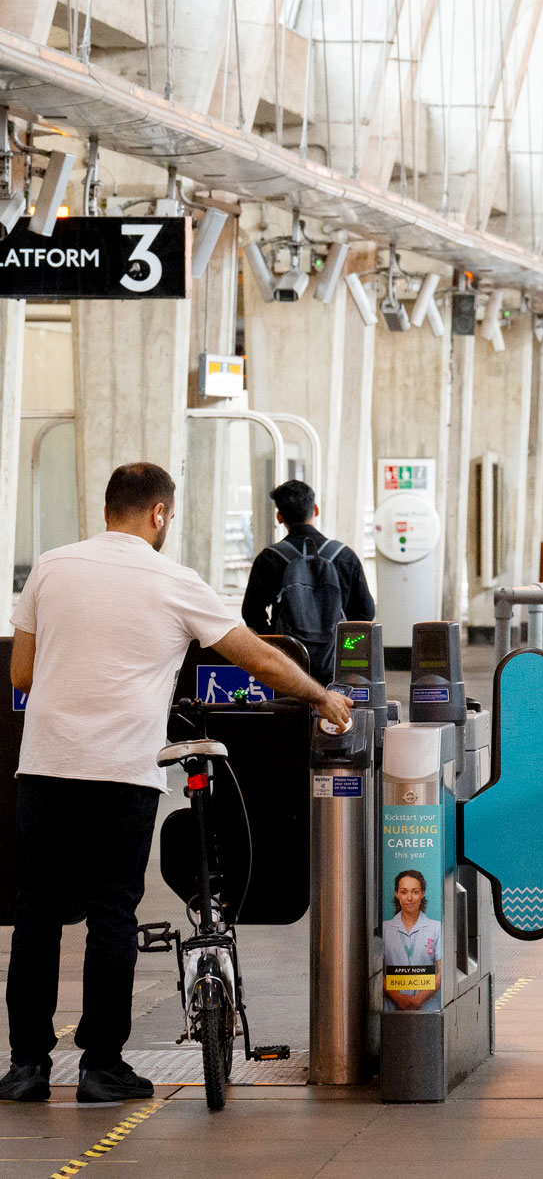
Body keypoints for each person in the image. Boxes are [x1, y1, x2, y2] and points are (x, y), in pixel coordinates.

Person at [3, 463, 351, 1105]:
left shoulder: (51, 567)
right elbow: (258, 657)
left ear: (107, 508)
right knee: (111, 916)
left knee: (37, 915)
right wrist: (320, 695)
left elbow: (21, 672)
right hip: (121, 772)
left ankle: (26, 1068)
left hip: (45, 766)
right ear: (158, 514)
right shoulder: (173, 580)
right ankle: (100, 1068)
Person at [241, 479, 374, 683]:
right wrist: (344, 647)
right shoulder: (345, 556)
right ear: (316, 510)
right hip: (336, 663)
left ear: (279, 517)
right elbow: (365, 612)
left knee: (289, 711)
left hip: (290, 663)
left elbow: (251, 612)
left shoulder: (269, 558)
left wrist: (278, 644)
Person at [382, 871, 443, 1012]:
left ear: (422, 894)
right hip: (392, 1007)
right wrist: (398, 997)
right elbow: (376, 972)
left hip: (426, 1007)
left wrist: (418, 999)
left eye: (415, 892)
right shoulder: (385, 929)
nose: (409, 898)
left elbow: (442, 971)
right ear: (397, 894)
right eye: (404, 892)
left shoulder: (436, 928)